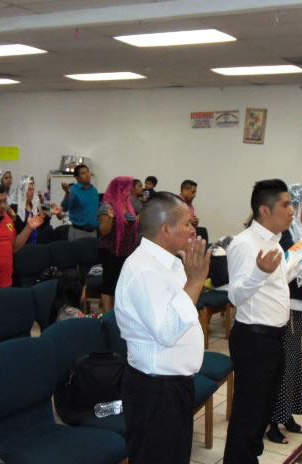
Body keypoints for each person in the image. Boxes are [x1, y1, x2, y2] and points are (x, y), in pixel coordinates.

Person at [224, 179, 302, 463]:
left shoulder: (272, 241)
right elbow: (235, 296)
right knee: (248, 413)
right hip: (254, 339)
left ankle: (249, 458)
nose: (292, 211)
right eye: (286, 205)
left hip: (273, 336)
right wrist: (258, 273)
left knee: (263, 411)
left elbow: (277, 280)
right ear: (265, 210)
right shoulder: (244, 244)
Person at [115, 192, 209, 464]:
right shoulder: (144, 269)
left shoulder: (171, 262)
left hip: (173, 385)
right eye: (187, 224)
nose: (193, 230)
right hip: (155, 390)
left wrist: (192, 278)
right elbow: (166, 332)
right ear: (166, 228)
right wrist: (195, 281)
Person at [267, 184, 302, 445]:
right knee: (284, 363)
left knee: (293, 363)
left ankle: (287, 413)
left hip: (297, 304)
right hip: (285, 304)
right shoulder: (284, 232)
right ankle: (273, 421)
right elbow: (289, 262)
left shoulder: (301, 229)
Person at [97, 177, 139, 312]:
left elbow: (131, 223)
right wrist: (109, 218)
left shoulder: (127, 204)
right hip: (110, 250)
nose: (130, 190)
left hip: (125, 250)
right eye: (127, 188)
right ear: (119, 189)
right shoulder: (107, 206)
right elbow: (104, 231)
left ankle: (117, 312)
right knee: (109, 283)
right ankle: (107, 314)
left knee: (120, 283)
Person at [12, 175, 61, 244]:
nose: (32, 192)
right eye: (29, 190)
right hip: (23, 244)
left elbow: (40, 225)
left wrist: (51, 213)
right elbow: (18, 229)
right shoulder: (15, 208)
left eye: (33, 190)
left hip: (36, 243)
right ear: (22, 191)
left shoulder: (34, 206)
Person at [61, 164, 99, 241]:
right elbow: (64, 208)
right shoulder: (73, 190)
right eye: (83, 173)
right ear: (77, 177)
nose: (87, 175)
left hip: (94, 232)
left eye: (87, 172)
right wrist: (67, 193)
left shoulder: (94, 190)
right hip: (79, 232)